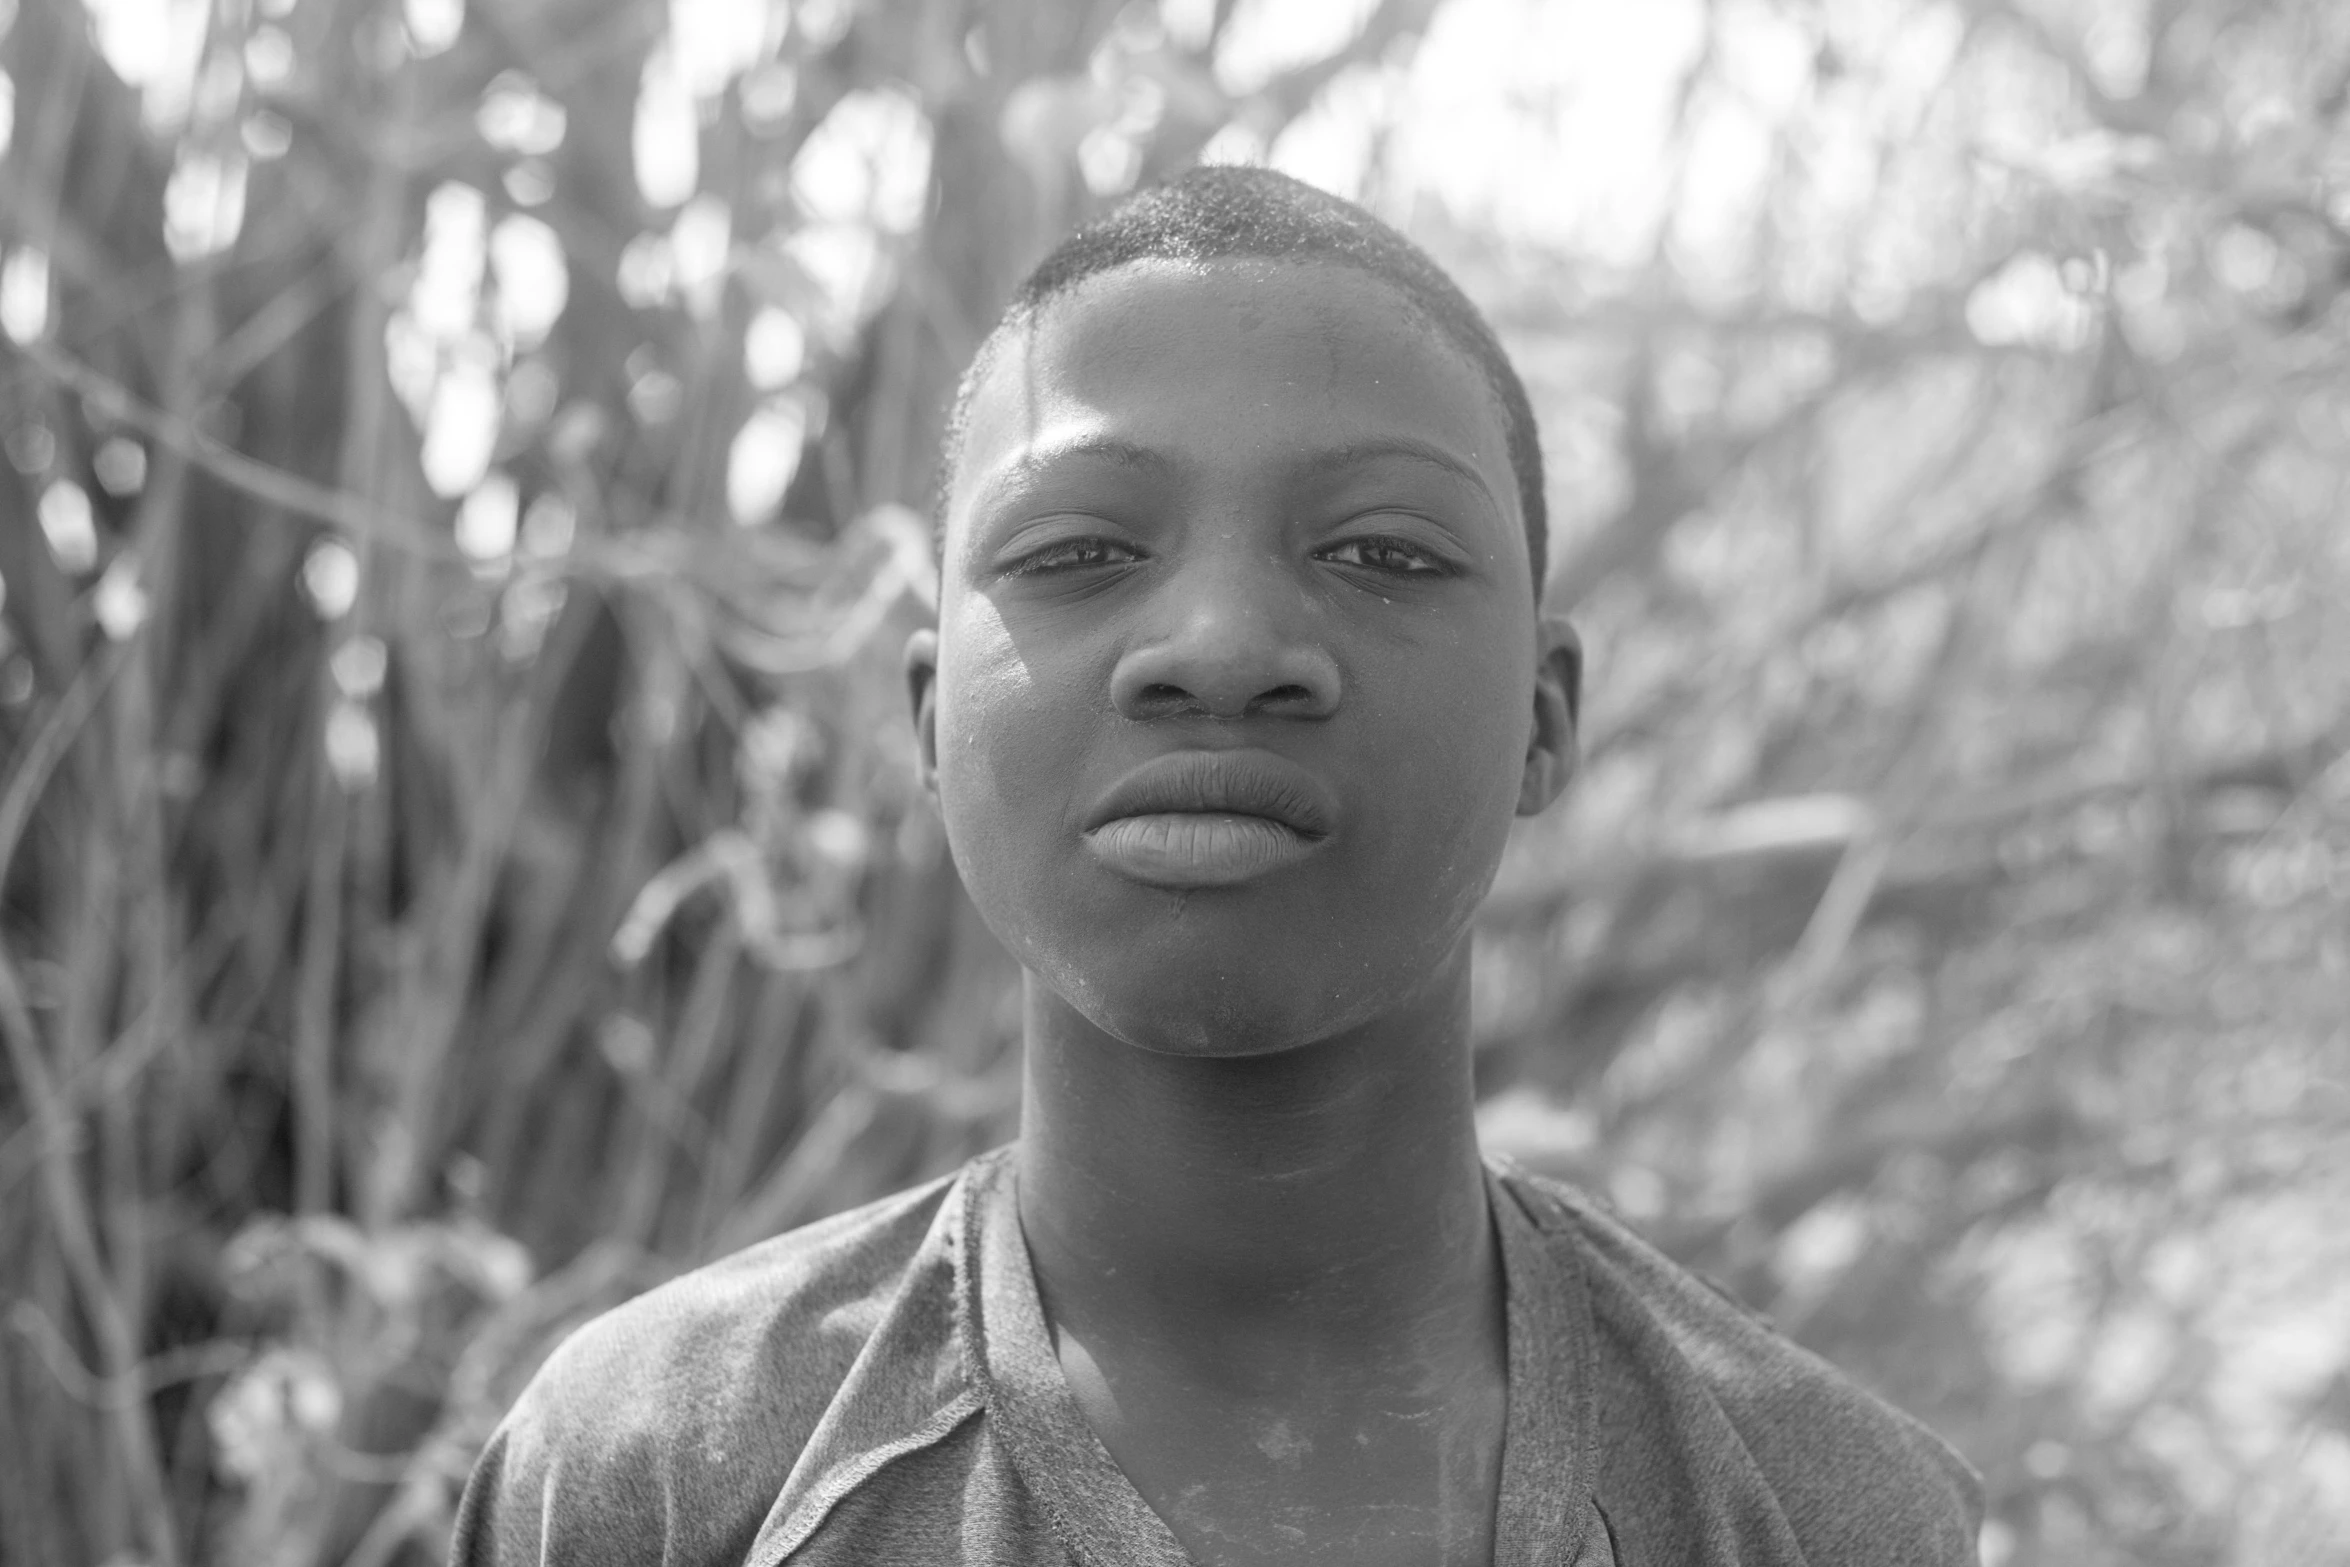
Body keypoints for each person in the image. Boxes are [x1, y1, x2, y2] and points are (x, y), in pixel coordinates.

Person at [450, 166, 1982, 1566]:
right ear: (931, 719)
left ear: (1543, 713)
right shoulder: (659, 1468)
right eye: (1075, 553)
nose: (1223, 648)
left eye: (1380, 550)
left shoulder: (1817, 1506)